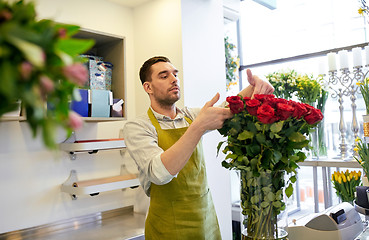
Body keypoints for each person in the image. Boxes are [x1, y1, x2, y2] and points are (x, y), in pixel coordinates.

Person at [122, 56, 274, 239]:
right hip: (167, 225)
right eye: (164, 76)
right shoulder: (138, 127)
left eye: (175, 74)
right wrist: (199, 126)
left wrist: (254, 86)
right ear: (148, 87)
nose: (174, 79)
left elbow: (226, 109)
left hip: (205, 218)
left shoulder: (189, 116)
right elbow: (160, 173)